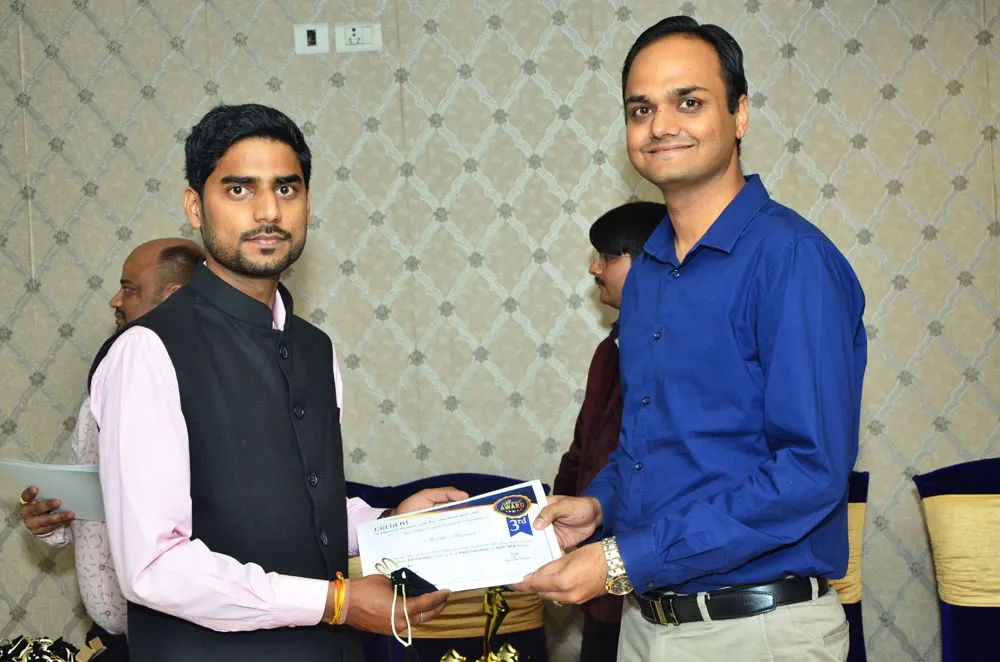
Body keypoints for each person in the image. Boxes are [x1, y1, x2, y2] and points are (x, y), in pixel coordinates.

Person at [514, 16, 867, 662]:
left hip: (756, 630)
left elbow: (810, 469)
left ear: (740, 114)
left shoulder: (791, 260)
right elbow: (649, 444)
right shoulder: (648, 272)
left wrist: (624, 559)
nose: (660, 125)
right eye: (641, 109)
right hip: (645, 624)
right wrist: (599, 507)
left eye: (690, 102)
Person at [87, 103, 462, 661]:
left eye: (286, 189)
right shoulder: (147, 350)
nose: (268, 212)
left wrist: (389, 521)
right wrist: (336, 603)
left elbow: (301, 507)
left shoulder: (316, 347)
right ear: (195, 206)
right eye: (239, 190)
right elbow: (153, 567)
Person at [18, 237, 204, 662]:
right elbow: (95, 511)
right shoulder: (103, 384)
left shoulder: (206, 394)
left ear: (173, 297)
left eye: (129, 288)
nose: (114, 300)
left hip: (181, 644)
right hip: (110, 640)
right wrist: (49, 521)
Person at [551, 202, 663, 662]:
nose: (594, 268)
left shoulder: (672, 353)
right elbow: (583, 452)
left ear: (652, 260)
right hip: (596, 565)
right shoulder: (609, 350)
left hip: (647, 569)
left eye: (608, 256)